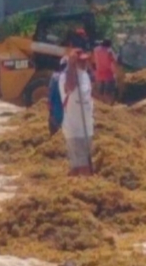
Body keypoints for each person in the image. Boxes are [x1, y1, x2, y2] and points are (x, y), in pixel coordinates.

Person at [59, 49, 94, 177]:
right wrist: (70, 66)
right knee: (83, 167)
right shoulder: (65, 77)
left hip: (87, 127)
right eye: (81, 60)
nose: (84, 62)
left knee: (79, 166)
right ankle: (86, 191)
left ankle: (69, 188)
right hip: (74, 129)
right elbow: (69, 87)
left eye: (85, 60)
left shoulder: (85, 75)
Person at [48, 59, 68, 135]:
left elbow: (50, 91)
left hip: (55, 106)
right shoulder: (69, 78)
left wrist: (50, 107)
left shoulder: (54, 77)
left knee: (54, 130)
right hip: (65, 108)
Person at [94, 39, 117, 104]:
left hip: (99, 72)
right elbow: (114, 59)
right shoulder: (109, 51)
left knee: (100, 90)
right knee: (109, 91)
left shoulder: (96, 50)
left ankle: (101, 105)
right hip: (108, 73)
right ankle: (108, 105)